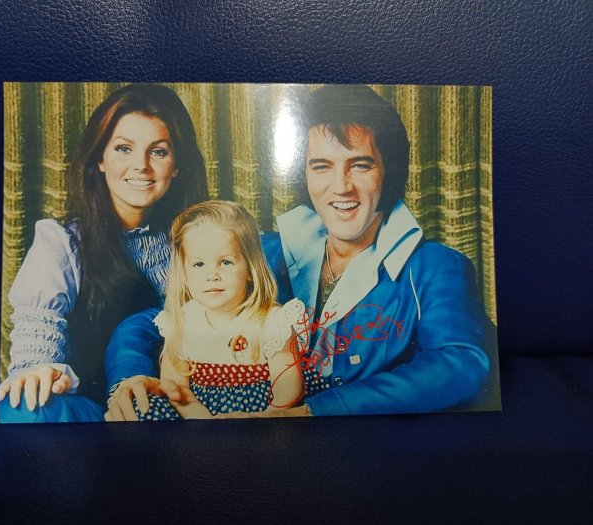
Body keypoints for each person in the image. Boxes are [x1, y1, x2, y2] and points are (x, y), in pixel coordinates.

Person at [105, 84, 494, 420]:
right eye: (321, 166)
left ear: (388, 170)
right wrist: (130, 377)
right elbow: (151, 321)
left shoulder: (435, 267)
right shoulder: (264, 252)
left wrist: (311, 413)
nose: (340, 187)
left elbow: (461, 363)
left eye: (360, 165)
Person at [0, 84, 209, 423]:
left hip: (180, 404)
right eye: (124, 148)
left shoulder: (200, 239)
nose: (141, 166)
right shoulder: (62, 242)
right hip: (97, 413)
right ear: (100, 159)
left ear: (177, 166)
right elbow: (36, 337)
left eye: (158, 152)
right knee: (25, 407)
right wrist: (39, 370)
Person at [105, 201, 304, 421]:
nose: (212, 275)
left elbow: (287, 388)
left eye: (225, 262)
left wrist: (261, 418)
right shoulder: (181, 322)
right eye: (198, 264)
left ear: (250, 269)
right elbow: (176, 387)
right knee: (145, 409)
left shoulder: (272, 322)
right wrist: (199, 417)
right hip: (196, 411)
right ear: (184, 272)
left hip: (261, 413)